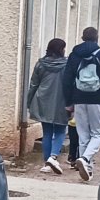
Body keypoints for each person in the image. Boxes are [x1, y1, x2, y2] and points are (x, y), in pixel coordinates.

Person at [62, 26, 100, 181]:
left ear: (82, 38)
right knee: (99, 132)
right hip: (98, 99)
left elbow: (67, 80)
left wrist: (68, 102)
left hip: (78, 99)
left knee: (83, 135)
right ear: (97, 38)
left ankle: (88, 169)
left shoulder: (74, 55)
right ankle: (85, 159)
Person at [26, 38, 69, 174]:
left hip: (43, 100)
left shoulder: (41, 64)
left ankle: (47, 163)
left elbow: (34, 84)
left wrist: (29, 101)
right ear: (61, 50)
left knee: (47, 132)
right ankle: (53, 157)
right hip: (62, 101)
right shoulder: (67, 64)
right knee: (61, 130)